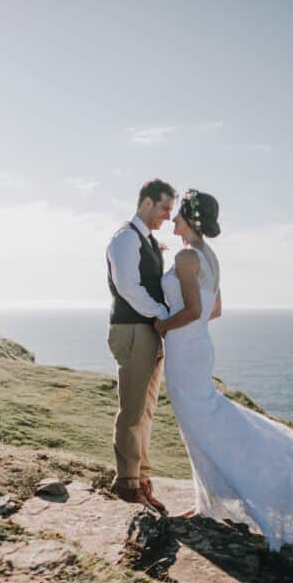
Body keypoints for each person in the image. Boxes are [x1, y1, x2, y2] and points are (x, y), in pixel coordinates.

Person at [155, 189, 293, 550]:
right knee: (201, 424)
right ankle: (206, 504)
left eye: (177, 214)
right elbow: (214, 310)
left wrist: (162, 327)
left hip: (184, 353)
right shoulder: (209, 257)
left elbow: (194, 310)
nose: (172, 219)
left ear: (190, 218)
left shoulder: (187, 256)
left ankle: (234, 496)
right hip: (196, 348)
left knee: (201, 425)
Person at [105, 178, 177, 509]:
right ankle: (125, 484)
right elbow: (129, 288)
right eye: (164, 208)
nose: (167, 216)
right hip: (133, 329)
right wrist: (163, 314)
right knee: (132, 410)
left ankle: (141, 478)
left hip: (148, 330)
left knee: (146, 411)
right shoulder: (124, 239)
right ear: (146, 202)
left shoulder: (146, 240)